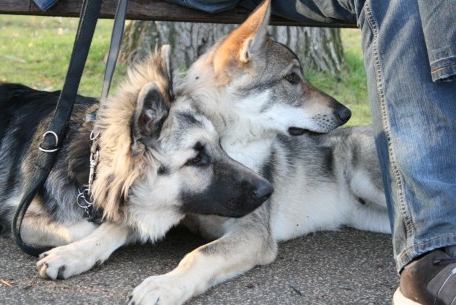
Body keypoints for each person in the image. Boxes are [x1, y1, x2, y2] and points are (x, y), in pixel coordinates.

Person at [165, 0, 456, 304]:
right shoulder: (205, 133)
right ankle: (429, 261)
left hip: (341, 180)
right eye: (293, 80)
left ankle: (437, 251)